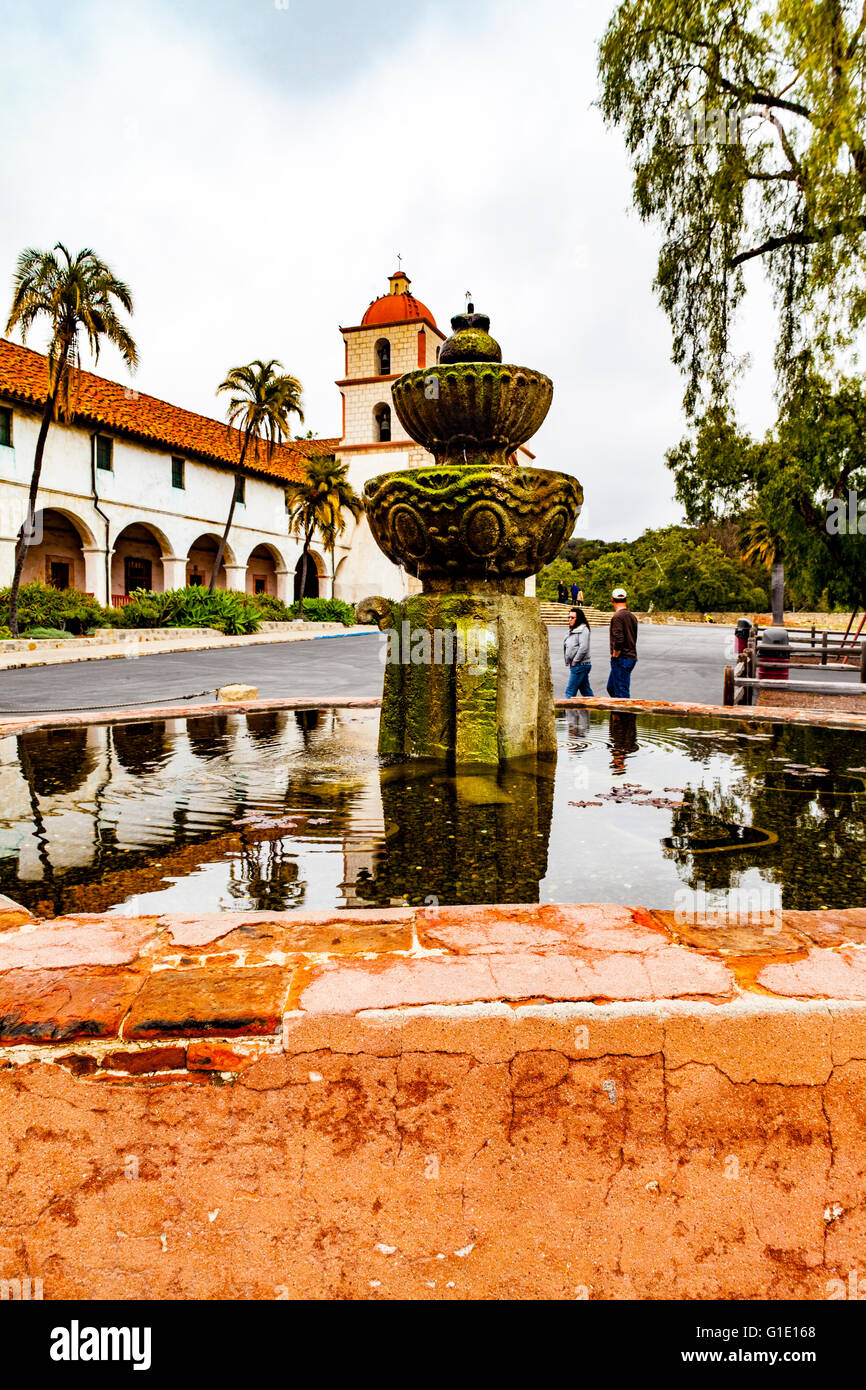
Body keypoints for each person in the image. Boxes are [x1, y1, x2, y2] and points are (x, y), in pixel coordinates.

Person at [607, 587, 638, 698]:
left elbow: (619, 639)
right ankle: (617, 714)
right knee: (611, 687)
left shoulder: (617, 617)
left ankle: (624, 714)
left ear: (612, 600)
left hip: (622, 657)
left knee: (621, 692)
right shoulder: (632, 617)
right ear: (626, 599)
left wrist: (615, 656)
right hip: (630, 656)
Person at [564, 607, 594, 698]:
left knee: (570, 691)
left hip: (580, 665)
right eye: (569, 617)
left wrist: (575, 661)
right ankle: (593, 708)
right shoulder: (574, 630)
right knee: (586, 691)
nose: (570, 619)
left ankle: (566, 711)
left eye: (572, 618)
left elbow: (583, 648)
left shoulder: (583, 630)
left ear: (579, 618)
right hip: (579, 665)